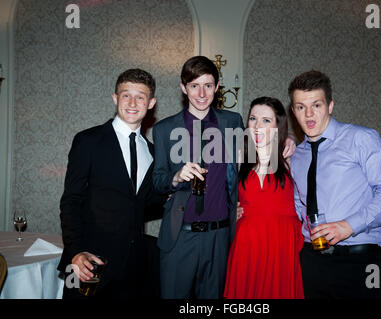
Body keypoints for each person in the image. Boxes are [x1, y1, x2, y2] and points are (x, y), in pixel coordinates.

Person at [153, 56, 295, 299]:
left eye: (208, 85)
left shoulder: (232, 122)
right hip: (180, 238)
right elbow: (157, 180)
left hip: (220, 238)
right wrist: (176, 177)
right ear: (183, 87)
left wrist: (287, 140)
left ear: (217, 88)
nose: (201, 93)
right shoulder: (164, 129)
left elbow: (260, 144)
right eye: (194, 85)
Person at [289, 70, 381, 299]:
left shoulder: (360, 138)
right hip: (313, 262)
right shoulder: (297, 155)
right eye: (301, 107)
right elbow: (297, 204)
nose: (309, 114)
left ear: (330, 105)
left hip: (363, 261)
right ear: (293, 111)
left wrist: (348, 225)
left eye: (317, 105)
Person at [58, 69, 166, 299]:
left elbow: (144, 203)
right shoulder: (88, 140)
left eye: (141, 96)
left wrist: (180, 192)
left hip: (132, 268)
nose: (133, 102)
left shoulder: (153, 152)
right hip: (87, 263)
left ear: (151, 103)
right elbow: (71, 201)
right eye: (126, 95)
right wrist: (75, 252)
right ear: (115, 98)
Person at [223, 97, 304, 299]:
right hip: (247, 243)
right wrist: (229, 211)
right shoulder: (238, 156)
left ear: (278, 125)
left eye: (266, 120)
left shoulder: (292, 157)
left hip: (282, 243)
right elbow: (219, 193)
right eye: (253, 118)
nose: (257, 126)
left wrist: (291, 138)